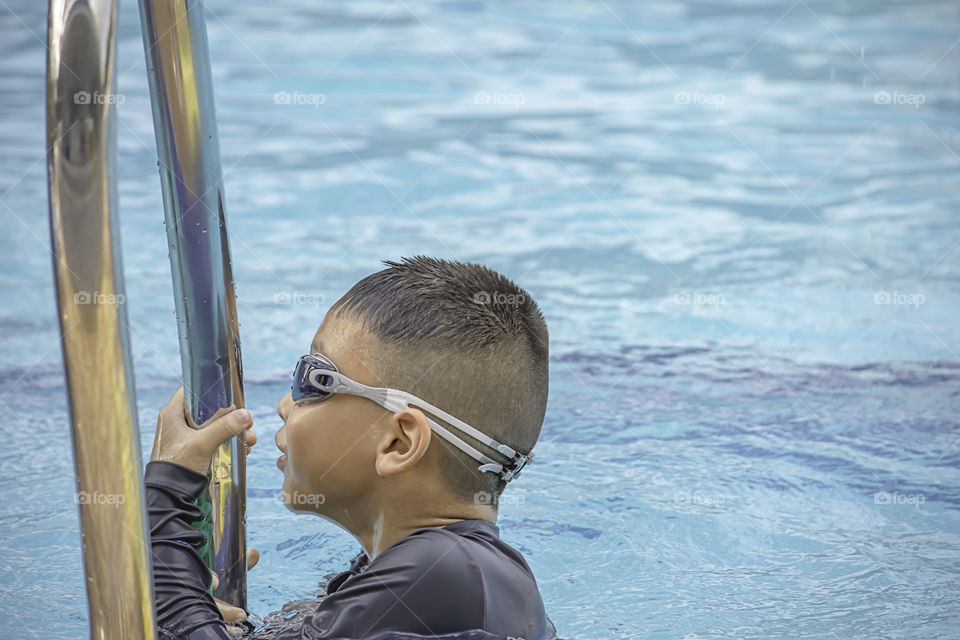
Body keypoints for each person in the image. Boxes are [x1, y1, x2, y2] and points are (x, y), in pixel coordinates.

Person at [146, 256, 558, 639]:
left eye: (314, 380)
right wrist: (193, 603)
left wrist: (167, 496)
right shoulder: (447, 573)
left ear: (398, 443)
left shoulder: (442, 571)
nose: (285, 405)